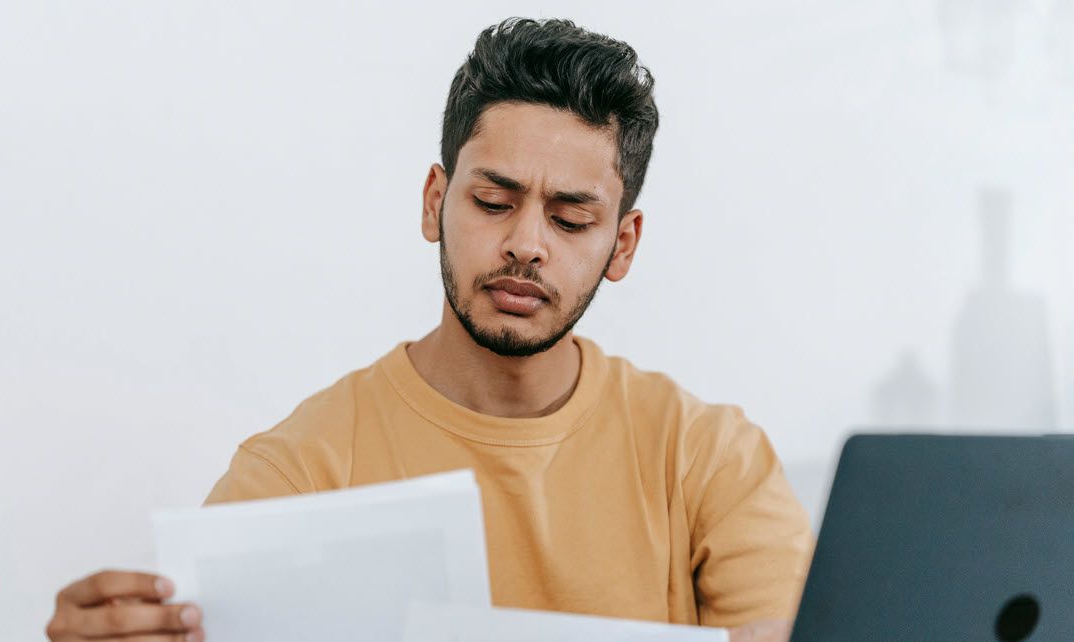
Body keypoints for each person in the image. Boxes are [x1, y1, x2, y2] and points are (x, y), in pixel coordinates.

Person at [46, 17, 813, 642]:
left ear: (622, 245)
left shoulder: (709, 459)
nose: (527, 244)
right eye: (493, 202)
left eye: (571, 217)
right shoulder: (299, 473)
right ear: (433, 202)